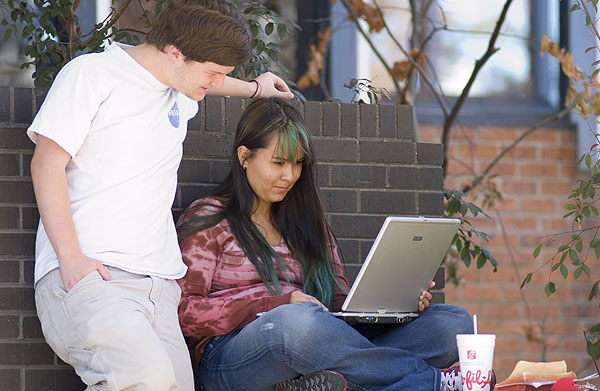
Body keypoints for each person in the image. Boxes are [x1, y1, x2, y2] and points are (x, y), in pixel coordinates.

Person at [28, 1, 293, 390]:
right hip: (94, 277)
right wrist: (71, 260)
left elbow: (206, 77)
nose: (216, 84)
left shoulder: (177, 91)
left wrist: (255, 87)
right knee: (145, 380)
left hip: (159, 291)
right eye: (212, 74)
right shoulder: (91, 75)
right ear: (174, 53)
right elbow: (45, 164)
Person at [176, 98, 478, 391]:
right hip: (233, 355)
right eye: (278, 162)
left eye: (297, 164)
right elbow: (185, 311)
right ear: (245, 157)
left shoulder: (307, 221)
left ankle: (334, 383)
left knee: (453, 324)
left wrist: (394, 303)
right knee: (293, 324)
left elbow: (335, 303)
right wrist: (275, 305)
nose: (290, 175)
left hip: (318, 341)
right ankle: (428, 382)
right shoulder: (210, 218)